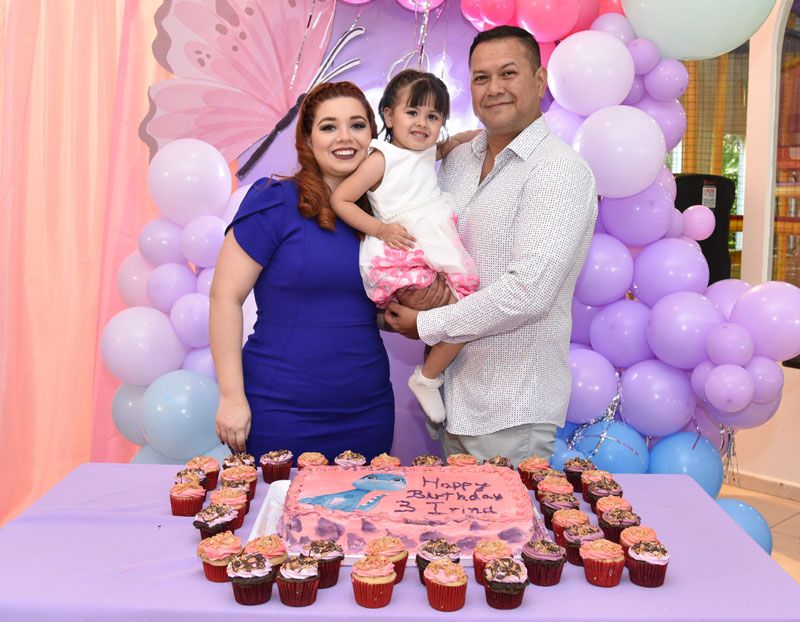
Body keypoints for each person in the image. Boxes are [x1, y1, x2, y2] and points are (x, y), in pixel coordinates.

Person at [386, 26, 598, 466]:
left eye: (508, 73)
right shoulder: (458, 160)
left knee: (510, 515)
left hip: (512, 408)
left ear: (539, 81)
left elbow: (527, 293)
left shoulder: (559, 171)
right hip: (451, 401)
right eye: (481, 78)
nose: (494, 88)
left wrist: (425, 323)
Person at [210, 81, 396, 461]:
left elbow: (367, 306)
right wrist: (231, 396)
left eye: (357, 125)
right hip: (281, 410)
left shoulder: (383, 216)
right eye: (329, 126)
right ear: (308, 140)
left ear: (372, 138)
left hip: (368, 410)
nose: (345, 137)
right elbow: (224, 297)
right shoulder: (275, 201)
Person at [330, 69, 479, 427]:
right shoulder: (381, 158)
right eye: (412, 112)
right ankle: (427, 377)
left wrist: (466, 138)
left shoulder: (427, 151)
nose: (422, 123)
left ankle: (431, 373)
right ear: (388, 116)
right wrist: (380, 228)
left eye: (433, 116)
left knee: (464, 310)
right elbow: (341, 199)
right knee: (462, 314)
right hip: (405, 252)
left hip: (433, 246)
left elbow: (441, 148)